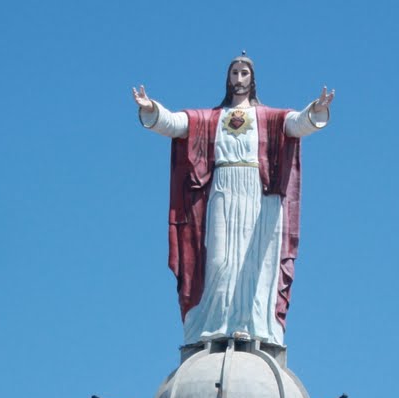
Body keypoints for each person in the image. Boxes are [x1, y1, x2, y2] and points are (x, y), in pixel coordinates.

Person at [133, 58, 334, 347]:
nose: (239, 78)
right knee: (218, 259)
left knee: (255, 260)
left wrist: (316, 109)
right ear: (227, 78)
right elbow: (177, 124)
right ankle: (215, 324)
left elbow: (296, 124)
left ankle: (250, 324)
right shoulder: (211, 118)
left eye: (244, 73)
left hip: (258, 191)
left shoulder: (268, 117)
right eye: (234, 73)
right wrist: (151, 108)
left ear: (253, 79)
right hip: (223, 187)